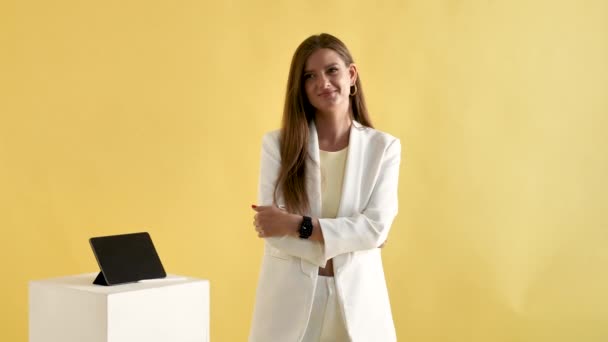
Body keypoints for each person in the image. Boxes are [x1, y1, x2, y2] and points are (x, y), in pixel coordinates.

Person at [249, 33, 401, 342]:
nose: (323, 82)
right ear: (301, 88)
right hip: (289, 303)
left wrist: (299, 225)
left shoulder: (383, 148)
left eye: (332, 70)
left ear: (351, 75)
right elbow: (273, 229)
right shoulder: (278, 146)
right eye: (309, 76)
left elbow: (375, 229)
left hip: (358, 303)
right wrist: (351, 237)